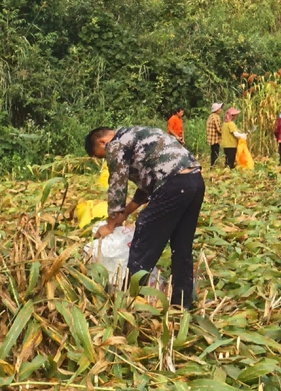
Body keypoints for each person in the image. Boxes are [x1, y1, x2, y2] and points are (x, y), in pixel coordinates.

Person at [84, 126, 204, 309]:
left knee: (144, 236)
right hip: (194, 182)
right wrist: (124, 214)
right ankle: (181, 304)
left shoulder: (115, 144)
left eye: (101, 156)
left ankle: (131, 300)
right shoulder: (136, 135)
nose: (105, 159)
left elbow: (117, 184)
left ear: (102, 143)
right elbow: (148, 186)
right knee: (181, 246)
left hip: (174, 185)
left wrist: (110, 224)